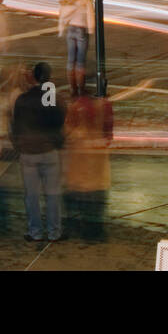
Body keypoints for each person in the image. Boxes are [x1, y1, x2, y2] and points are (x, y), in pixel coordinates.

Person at [10, 62, 66, 242]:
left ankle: (35, 232)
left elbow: (15, 126)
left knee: (31, 196)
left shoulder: (23, 99)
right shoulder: (54, 98)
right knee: (52, 195)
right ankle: (54, 232)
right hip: (49, 150)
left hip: (28, 153)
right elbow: (59, 122)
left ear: (33, 76)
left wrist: (18, 145)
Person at [63, 90, 113, 240]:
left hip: (79, 160)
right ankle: (95, 231)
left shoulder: (76, 105)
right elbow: (108, 133)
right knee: (97, 198)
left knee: (77, 194)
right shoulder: (104, 105)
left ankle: (76, 226)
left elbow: (67, 131)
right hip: (98, 161)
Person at [57, 0, 94, 97]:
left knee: (70, 60)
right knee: (80, 61)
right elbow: (90, 15)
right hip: (81, 30)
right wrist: (91, 29)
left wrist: (61, 29)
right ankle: (81, 89)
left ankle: (72, 89)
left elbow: (61, 15)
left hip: (71, 29)